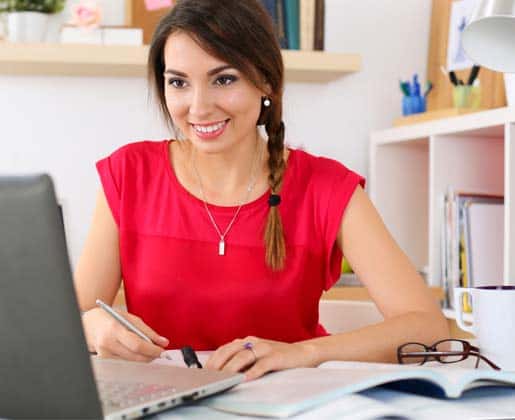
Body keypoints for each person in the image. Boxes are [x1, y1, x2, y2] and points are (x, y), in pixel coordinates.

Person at [75, 0, 449, 381]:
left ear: (266, 81)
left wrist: (305, 353)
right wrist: (91, 327)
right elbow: (71, 317)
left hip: (290, 404)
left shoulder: (328, 188)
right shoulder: (128, 175)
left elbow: (428, 329)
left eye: (224, 79)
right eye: (179, 82)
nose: (199, 107)